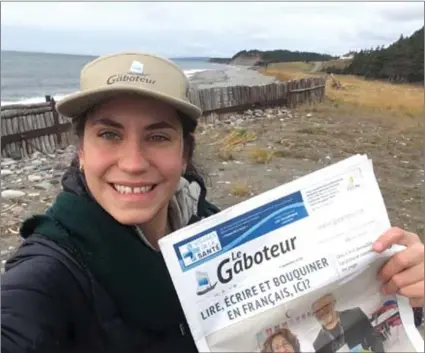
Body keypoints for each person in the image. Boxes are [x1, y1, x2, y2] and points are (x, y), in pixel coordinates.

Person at [1, 51, 424, 353]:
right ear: (81, 151)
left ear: (185, 153)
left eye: (158, 136)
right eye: (109, 134)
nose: (132, 163)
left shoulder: (212, 228)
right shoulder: (49, 271)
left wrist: (406, 287)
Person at [311, 294, 384, 353]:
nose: (323, 313)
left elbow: (375, 340)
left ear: (333, 303)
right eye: (317, 311)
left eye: (326, 307)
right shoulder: (318, 344)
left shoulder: (355, 315)